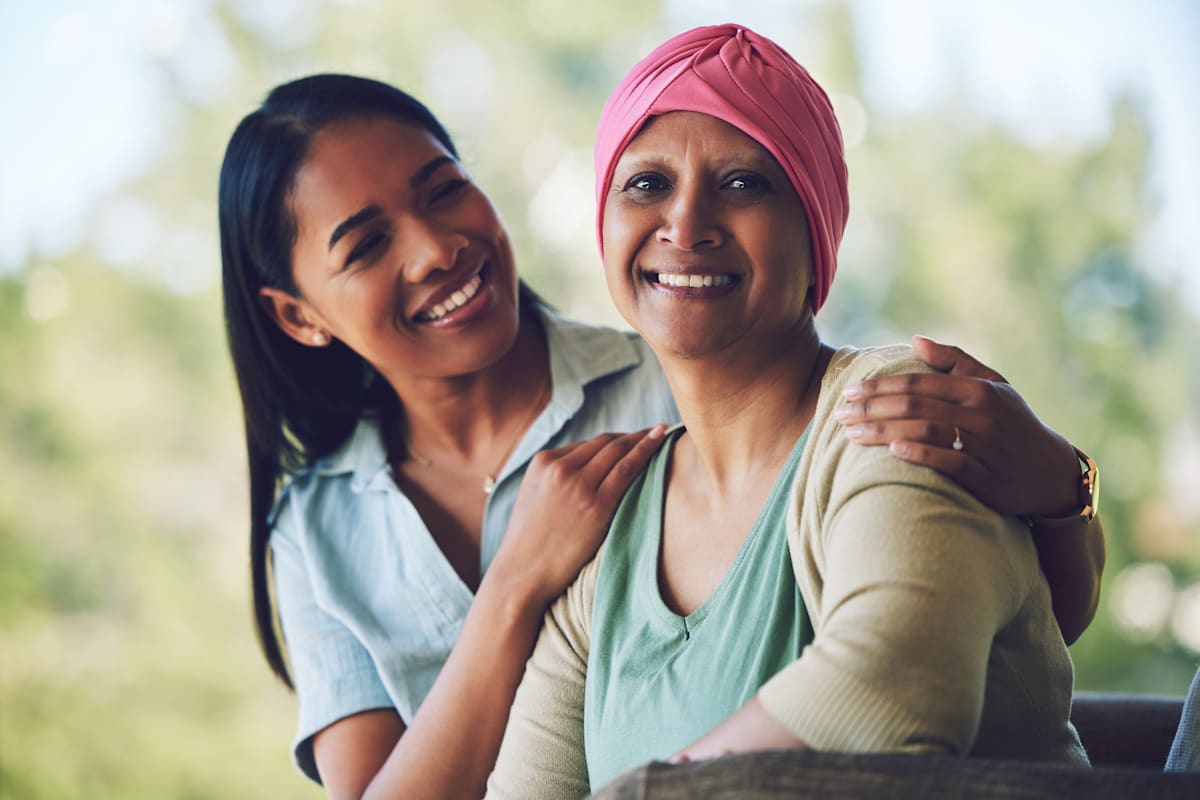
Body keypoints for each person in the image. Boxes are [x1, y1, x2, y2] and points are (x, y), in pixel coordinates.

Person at [218, 73, 1103, 798]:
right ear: (298, 315)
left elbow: (987, 631)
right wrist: (518, 580)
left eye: (445, 190)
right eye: (365, 245)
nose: (436, 248)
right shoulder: (316, 528)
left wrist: (1069, 490)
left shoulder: (699, 362)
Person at [486, 24, 1094, 798]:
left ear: (817, 236)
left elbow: (886, 702)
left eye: (744, 183)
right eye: (646, 184)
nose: (686, 223)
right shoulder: (610, 526)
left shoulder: (896, 415)